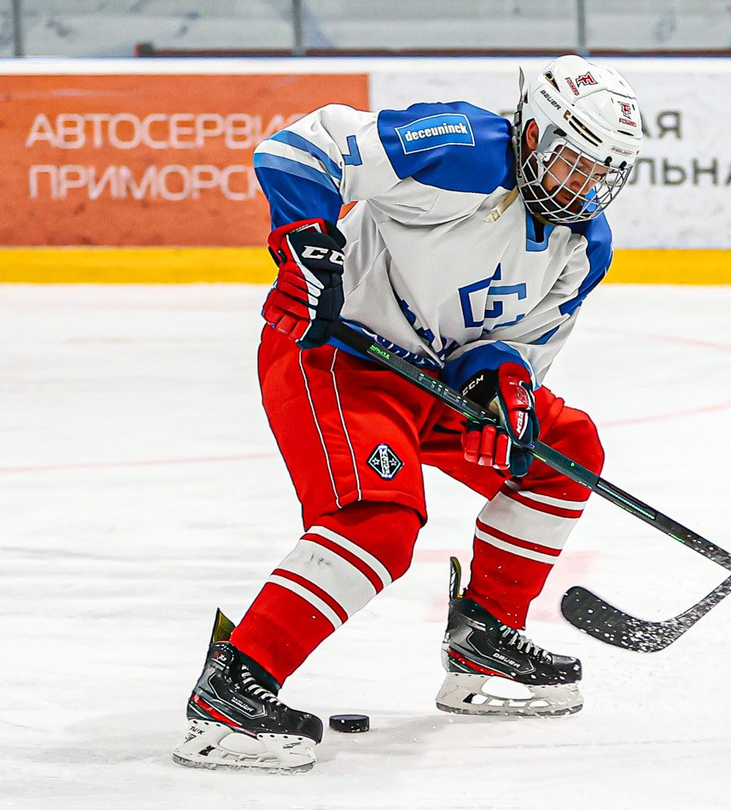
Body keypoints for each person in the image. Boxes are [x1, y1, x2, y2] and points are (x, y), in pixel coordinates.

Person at [175, 57, 643, 772]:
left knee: (563, 449)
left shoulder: (585, 246)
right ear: (535, 130)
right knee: (380, 522)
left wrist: (503, 387)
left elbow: (521, 347)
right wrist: (305, 242)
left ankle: (484, 639)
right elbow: (302, 146)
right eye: (570, 161)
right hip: (337, 357)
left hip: (433, 383)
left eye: (598, 173)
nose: (581, 186)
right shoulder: (463, 148)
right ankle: (233, 686)